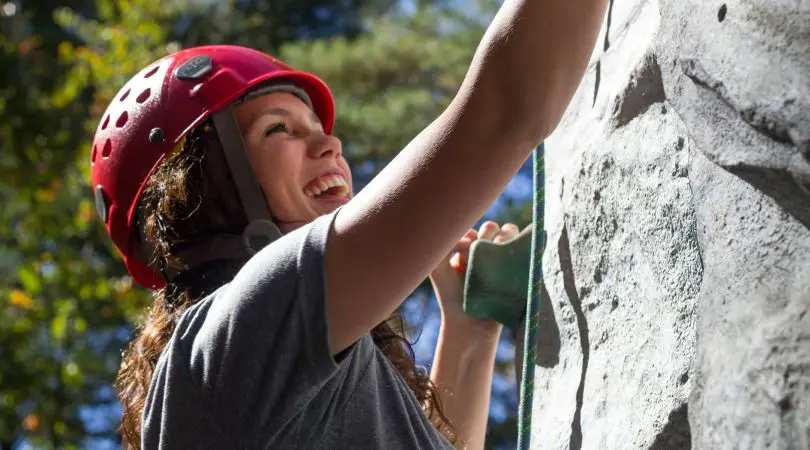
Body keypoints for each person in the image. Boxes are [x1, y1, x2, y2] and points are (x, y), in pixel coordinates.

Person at [90, 1, 608, 448]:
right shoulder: (234, 334)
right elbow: (503, 113)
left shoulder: (262, 370)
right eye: (279, 129)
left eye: (318, 127)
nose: (330, 145)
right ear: (205, 186)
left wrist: (469, 334)